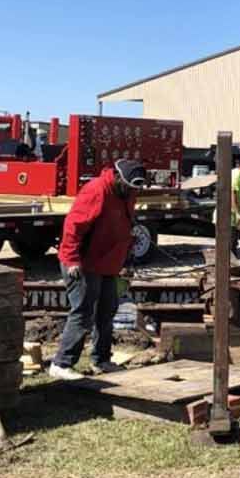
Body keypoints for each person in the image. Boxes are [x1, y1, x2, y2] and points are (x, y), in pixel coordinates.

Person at [48, 158, 148, 380]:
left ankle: (101, 360)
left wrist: (126, 260)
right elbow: (73, 227)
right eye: (130, 186)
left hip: (107, 263)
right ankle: (61, 363)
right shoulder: (96, 191)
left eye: (136, 188)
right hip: (83, 263)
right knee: (83, 312)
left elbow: (123, 226)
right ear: (118, 177)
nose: (133, 191)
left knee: (107, 310)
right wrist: (72, 260)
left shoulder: (127, 193)